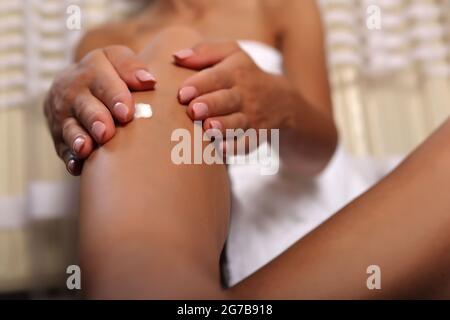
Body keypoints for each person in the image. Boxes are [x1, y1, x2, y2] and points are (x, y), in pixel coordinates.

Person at [44, 1, 450, 298]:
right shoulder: (106, 39)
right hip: (205, 242)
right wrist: (70, 103)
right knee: (170, 49)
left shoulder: (282, 8)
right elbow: (95, 138)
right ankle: (150, 277)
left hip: (321, 214)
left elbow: (321, 155)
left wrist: (283, 107)